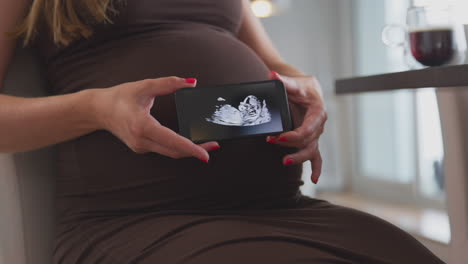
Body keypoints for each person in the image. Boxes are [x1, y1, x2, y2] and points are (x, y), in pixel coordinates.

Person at [0, 0, 444, 263]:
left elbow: (277, 63)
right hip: (134, 220)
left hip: (276, 209)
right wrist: (96, 108)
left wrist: (307, 93)